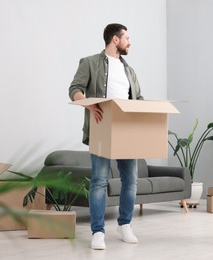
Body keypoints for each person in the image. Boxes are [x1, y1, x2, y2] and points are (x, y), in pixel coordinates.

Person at [69, 23, 143, 250]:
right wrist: (90, 105)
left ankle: (125, 224)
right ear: (115, 39)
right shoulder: (89, 62)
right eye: (127, 38)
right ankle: (98, 231)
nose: (130, 42)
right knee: (99, 181)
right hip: (101, 128)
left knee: (130, 180)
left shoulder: (129, 70)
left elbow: (138, 99)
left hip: (126, 131)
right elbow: (75, 89)